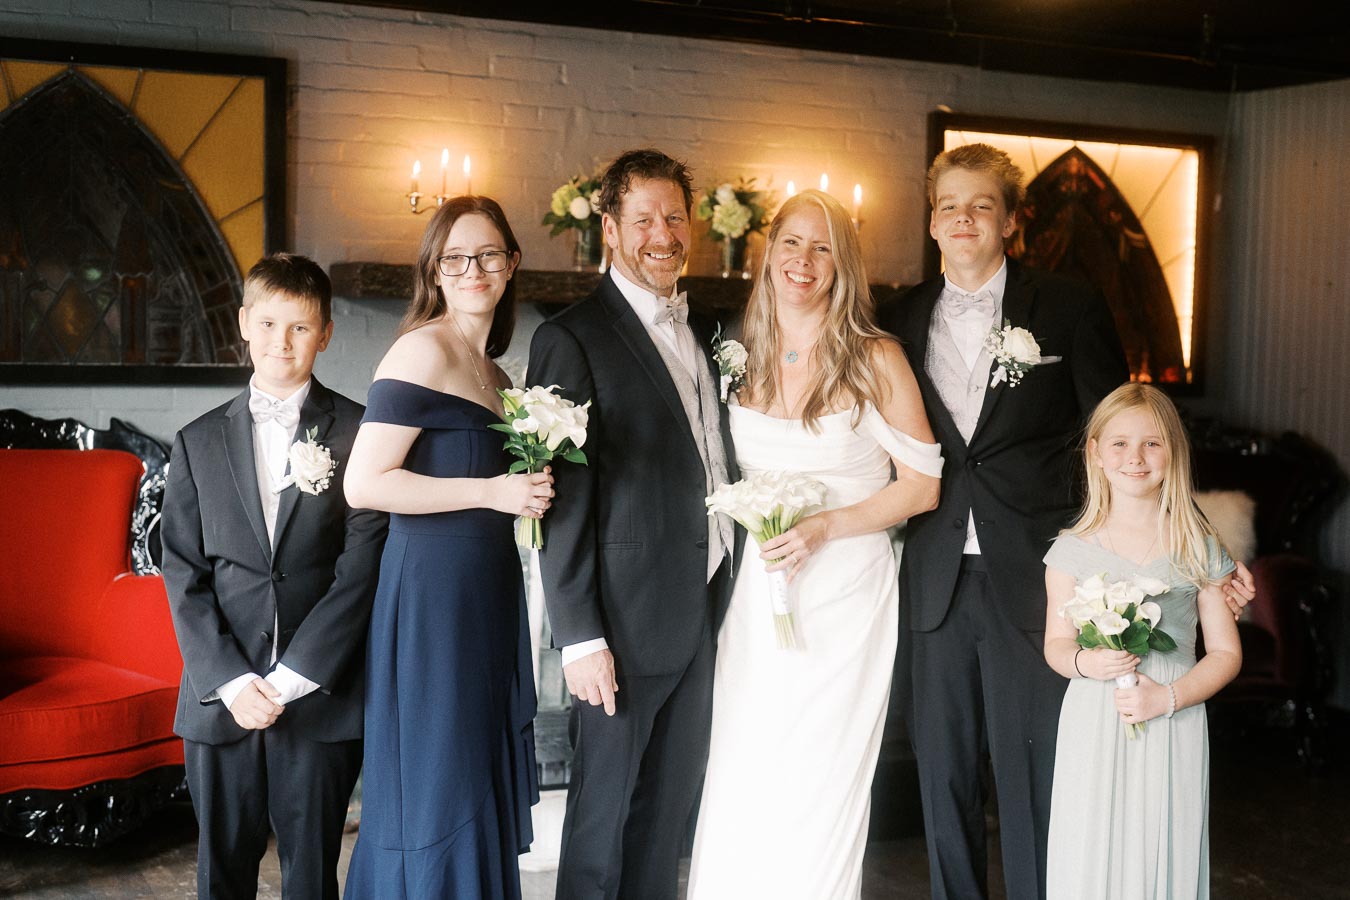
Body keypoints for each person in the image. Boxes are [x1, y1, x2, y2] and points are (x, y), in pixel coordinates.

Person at [879, 143, 1254, 900]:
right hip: (933, 577)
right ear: (931, 220)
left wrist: (1201, 549)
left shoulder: (1070, 305)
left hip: (1043, 578)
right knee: (943, 776)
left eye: (981, 205)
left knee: (1036, 778)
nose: (963, 218)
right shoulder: (896, 318)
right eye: (949, 204)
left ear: (1010, 221)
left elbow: (1129, 432)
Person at [686, 189, 944, 899]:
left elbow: (922, 486)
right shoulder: (739, 353)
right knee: (745, 759)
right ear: (769, 252)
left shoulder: (874, 356)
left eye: (823, 246)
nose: (804, 260)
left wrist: (826, 526)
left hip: (843, 595)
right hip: (757, 597)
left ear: (843, 264)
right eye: (792, 242)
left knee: (821, 772)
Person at [526, 148, 737, 900]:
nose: (663, 233)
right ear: (609, 229)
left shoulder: (710, 331)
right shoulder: (571, 337)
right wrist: (580, 635)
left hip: (705, 611)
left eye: (675, 217)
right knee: (602, 821)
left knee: (664, 819)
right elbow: (563, 501)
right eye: (643, 217)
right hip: (620, 622)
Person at [162, 253, 388, 900]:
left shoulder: (358, 432)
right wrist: (232, 681)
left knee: (312, 874)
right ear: (243, 324)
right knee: (222, 870)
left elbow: (360, 570)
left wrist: (292, 678)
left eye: (299, 327)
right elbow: (182, 571)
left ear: (325, 333)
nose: (281, 342)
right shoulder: (198, 441)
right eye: (268, 324)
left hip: (320, 695)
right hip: (221, 696)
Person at [342, 196, 547, 899]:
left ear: (511, 262)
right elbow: (364, 484)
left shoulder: (501, 376)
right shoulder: (421, 349)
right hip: (431, 597)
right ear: (435, 268)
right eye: (455, 257)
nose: (473, 269)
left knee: (474, 770)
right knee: (438, 779)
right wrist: (492, 493)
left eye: (488, 254)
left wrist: (528, 491)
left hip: (488, 591)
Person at [1042, 382, 1242, 899]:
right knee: (1092, 843)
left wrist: (1167, 697)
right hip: (1096, 714)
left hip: (1172, 713)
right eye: (1120, 444)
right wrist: (1087, 662)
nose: (1135, 457)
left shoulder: (1198, 546)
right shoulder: (1070, 550)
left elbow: (1225, 652)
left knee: (1164, 837)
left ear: (1172, 453)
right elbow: (1056, 645)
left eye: (1152, 443)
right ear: (1096, 453)